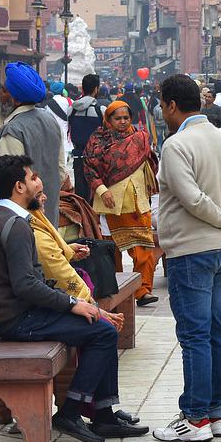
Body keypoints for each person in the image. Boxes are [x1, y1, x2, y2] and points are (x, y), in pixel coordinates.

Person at [0, 154, 146, 442]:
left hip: (21, 312)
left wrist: (78, 305)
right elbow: (26, 285)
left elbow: (32, 281)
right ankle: (71, 412)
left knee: (100, 325)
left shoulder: (7, 218)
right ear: (19, 186)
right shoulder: (15, 225)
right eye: (32, 178)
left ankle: (103, 414)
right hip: (17, 320)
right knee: (103, 332)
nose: (38, 183)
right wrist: (73, 304)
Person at [152, 75, 221, 442]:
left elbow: (192, 198)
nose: (161, 111)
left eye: (162, 105)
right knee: (217, 331)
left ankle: (195, 417)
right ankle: (218, 413)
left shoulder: (176, 145)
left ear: (171, 105)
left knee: (195, 334)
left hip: (191, 251)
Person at [84, 101, 161, 306]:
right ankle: (116, 292)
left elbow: (150, 163)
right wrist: (102, 190)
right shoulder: (98, 140)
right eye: (117, 118)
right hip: (111, 203)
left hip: (138, 203)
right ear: (108, 120)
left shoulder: (139, 137)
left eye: (126, 118)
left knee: (144, 248)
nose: (123, 122)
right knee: (113, 251)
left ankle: (143, 290)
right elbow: (90, 168)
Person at [0, 63, 71, 228]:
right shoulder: (50, 119)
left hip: (21, 223)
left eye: (4, 91)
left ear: (16, 99)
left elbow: (10, 184)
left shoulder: (13, 130)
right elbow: (60, 172)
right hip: (49, 220)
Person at [69, 74, 106, 204]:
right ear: (96, 89)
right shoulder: (100, 110)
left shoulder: (72, 109)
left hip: (78, 156)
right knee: (95, 192)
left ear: (83, 89)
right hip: (96, 158)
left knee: (80, 192)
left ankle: (82, 214)